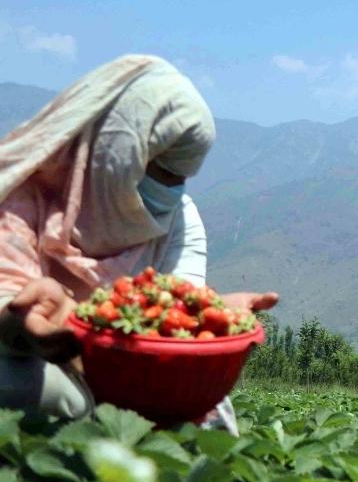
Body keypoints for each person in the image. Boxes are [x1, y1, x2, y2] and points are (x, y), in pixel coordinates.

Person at [0, 55, 279, 432]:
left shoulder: (178, 219)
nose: (166, 191)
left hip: (134, 370)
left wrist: (209, 315)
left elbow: (177, 308)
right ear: (110, 152)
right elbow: (9, 300)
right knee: (45, 391)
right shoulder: (17, 198)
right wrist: (23, 325)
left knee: (210, 410)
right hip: (27, 359)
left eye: (177, 178)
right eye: (155, 169)